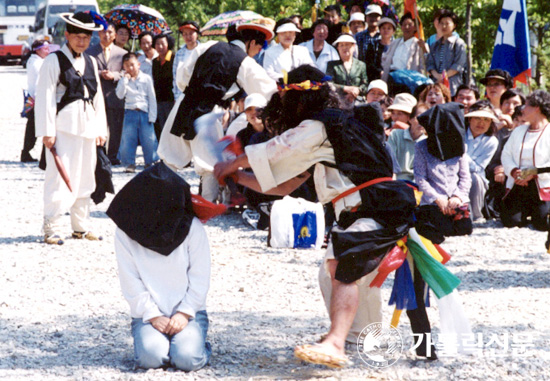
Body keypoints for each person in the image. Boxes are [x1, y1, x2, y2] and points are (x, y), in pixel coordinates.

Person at [214, 65, 420, 367]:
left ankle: (336, 343)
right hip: (367, 208)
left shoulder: (324, 125)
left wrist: (232, 165)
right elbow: (286, 184)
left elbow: (277, 149)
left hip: (374, 205)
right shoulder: (336, 131)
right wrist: (240, 178)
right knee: (334, 273)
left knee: (342, 267)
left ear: (300, 99)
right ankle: (362, 339)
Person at [157, 20, 278, 203]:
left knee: (169, 157)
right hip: (209, 111)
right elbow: (267, 91)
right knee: (208, 164)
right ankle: (207, 206)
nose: (258, 52)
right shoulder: (245, 62)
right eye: (258, 48)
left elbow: (182, 76)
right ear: (251, 43)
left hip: (185, 102)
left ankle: (161, 203)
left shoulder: (209, 45)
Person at [108, 163, 211, 371]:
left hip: (188, 313)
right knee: (151, 359)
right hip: (148, 315)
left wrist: (184, 313)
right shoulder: (126, 232)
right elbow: (130, 280)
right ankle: (163, 342)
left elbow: (200, 276)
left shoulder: (192, 228)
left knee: (186, 359)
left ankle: (200, 345)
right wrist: (152, 315)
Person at [35, 11, 108, 245]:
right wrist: (47, 130)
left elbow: (97, 98)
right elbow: (45, 96)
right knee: (58, 177)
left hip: (87, 127)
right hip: (63, 128)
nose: (82, 41)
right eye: (77, 36)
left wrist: (100, 129)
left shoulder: (91, 62)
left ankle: (81, 226)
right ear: (67, 35)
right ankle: (52, 226)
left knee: (86, 177)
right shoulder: (53, 60)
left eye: (86, 37)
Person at [414, 103, 473, 244]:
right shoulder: (421, 146)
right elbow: (420, 178)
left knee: (464, 228)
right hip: (433, 201)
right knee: (439, 228)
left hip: (455, 201)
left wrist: (457, 196)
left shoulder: (460, 147)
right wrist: (438, 198)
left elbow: (465, 177)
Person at [500, 90, 550, 231]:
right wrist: (515, 171)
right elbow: (506, 154)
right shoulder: (518, 131)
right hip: (519, 183)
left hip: (543, 183)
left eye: (526, 105)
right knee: (510, 221)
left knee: (543, 223)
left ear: (537, 108)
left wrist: (533, 173)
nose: (522, 109)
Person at [86, 22, 126, 165]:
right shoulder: (90, 51)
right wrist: (99, 73)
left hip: (115, 96)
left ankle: (113, 156)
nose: (106, 35)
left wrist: (114, 75)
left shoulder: (122, 54)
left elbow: (126, 72)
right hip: (97, 95)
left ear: (114, 35)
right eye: (103, 32)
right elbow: (85, 70)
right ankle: (99, 155)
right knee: (97, 126)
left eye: (110, 32)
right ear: (98, 33)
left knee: (115, 128)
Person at [116, 52, 158, 173]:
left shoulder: (146, 78)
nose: (130, 68)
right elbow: (119, 95)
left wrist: (152, 116)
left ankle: (150, 161)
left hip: (144, 112)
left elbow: (152, 98)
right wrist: (124, 80)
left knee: (149, 139)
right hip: (130, 112)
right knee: (128, 139)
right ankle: (129, 163)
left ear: (138, 64)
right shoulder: (123, 79)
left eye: (132, 65)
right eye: (126, 66)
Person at [463, 100, 499, 220]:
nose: (481, 123)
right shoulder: (458, 134)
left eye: (486, 119)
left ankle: (476, 215)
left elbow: (479, 168)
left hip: (476, 176)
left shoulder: (491, 141)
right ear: (469, 119)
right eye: (477, 118)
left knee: (475, 178)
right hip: (452, 172)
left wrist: (462, 156)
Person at [21, 39, 50, 163]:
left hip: (34, 99)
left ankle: (27, 152)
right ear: (37, 50)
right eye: (45, 48)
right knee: (39, 127)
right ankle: (31, 153)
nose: (48, 51)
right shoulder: (36, 63)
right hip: (37, 100)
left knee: (33, 127)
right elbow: (39, 83)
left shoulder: (36, 61)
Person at [426, 9, 466, 96]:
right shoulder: (435, 45)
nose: (444, 26)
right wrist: (437, 76)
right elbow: (430, 64)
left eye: (447, 23)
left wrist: (443, 77)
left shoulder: (458, 43)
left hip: (453, 86)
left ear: (454, 25)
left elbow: (458, 65)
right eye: (441, 23)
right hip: (435, 85)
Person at [387, 102, 427, 180]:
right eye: (419, 118)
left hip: (416, 184)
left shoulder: (427, 142)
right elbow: (390, 163)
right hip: (395, 181)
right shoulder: (396, 134)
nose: (422, 122)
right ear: (410, 119)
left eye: (426, 119)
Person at [326, 34, 368, 107]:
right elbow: (329, 84)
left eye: (347, 45)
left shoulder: (361, 65)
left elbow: (365, 85)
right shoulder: (332, 65)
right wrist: (345, 88)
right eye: (341, 45)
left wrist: (357, 90)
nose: (344, 48)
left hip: (357, 102)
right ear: (338, 48)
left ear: (353, 47)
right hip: (337, 102)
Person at [381, 13, 426, 82]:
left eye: (410, 25)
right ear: (401, 27)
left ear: (415, 28)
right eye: (404, 25)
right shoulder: (395, 43)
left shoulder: (419, 45)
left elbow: (424, 64)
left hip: (408, 79)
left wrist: (424, 48)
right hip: (392, 77)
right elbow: (385, 58)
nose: (407, 27)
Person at [152, 33, 175, 140]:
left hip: (172, 100)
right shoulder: (155, 62)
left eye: (162, 44)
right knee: (161, 128)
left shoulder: (174, 58)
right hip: (159, 100)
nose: (160, 47)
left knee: (172, 128)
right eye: (157, 44)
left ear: (168, 44)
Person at [173, 21, 200, 100]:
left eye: (191, 33)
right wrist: (176, 97)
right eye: (185, 34)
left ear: (197, 34)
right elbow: (175, 76)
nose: (188, 37)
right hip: (182, 95)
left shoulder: (203, 51)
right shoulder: (179, 54)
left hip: (199, 95)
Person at [364, 17, 395, 82]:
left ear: (393, 31)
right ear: (379, 30)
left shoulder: (396, 46)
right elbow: (369, 64)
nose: (386, 30)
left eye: (389, 28)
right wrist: (379, 72)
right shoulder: (373, 45)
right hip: (375, 78)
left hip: (392, 78)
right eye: (383, 28)